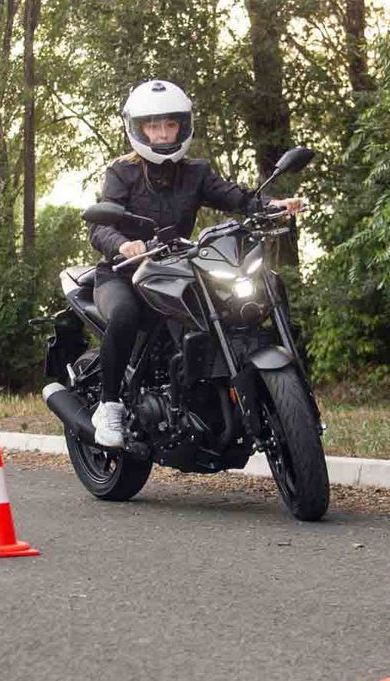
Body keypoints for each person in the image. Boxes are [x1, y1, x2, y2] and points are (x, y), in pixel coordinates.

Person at [84, 79, 304, 447]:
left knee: (244, 296)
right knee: (124, 315)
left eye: (170, 124)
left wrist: (271, 206)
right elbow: (100, 225)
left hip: (174, 269)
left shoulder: (196, 172)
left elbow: (236, 197)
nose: (162, 133)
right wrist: (123, 245)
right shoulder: (122, 173)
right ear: (138, 129)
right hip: (123, 273)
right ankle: (108, 406)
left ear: (183, 126)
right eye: (153, 126)